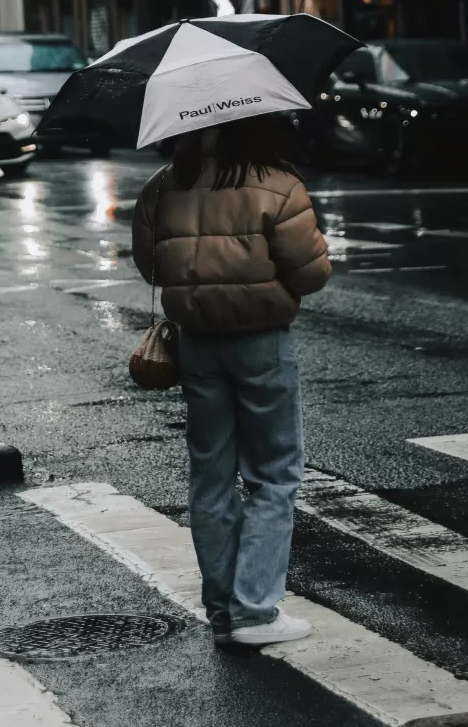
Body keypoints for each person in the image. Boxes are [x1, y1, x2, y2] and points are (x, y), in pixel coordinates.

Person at [132, 118, 331, 647]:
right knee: (274, 473)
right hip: (260, 339)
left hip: (196, 341)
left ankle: (223, 608)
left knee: (211, 475)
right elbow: (310, 273)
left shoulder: (163, 184)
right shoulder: (276, 182)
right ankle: (255, 609)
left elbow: (151, 268)